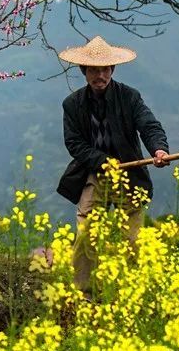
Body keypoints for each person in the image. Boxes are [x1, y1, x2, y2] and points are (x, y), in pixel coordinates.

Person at [55, 35, 169, 293]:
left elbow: (149, 125)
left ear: (112, 70)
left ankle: (133, 291)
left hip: (130, 173)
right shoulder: (73, 104)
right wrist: (104, 162)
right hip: (95, 173)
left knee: (133, 239)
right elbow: (74, 143)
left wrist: (159, 149)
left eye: (105, 69)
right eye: (94, 70)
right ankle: (84, 292)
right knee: (87, 233)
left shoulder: (129, 97)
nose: (100, 75)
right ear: (84, 72)